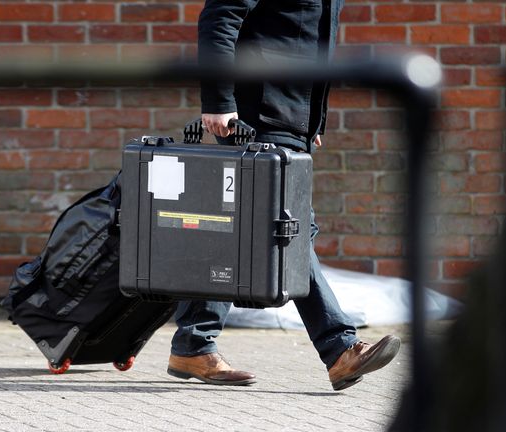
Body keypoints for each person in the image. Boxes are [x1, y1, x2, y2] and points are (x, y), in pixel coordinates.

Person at [165, 0, 401, 391]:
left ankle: (193, 343)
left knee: (246, 233)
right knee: (288, 232)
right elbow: (219, 19)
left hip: (288, 117)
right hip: (255, 114)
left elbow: (311, 38)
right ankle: (340, 348)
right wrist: (219, 101)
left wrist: (310, 122)